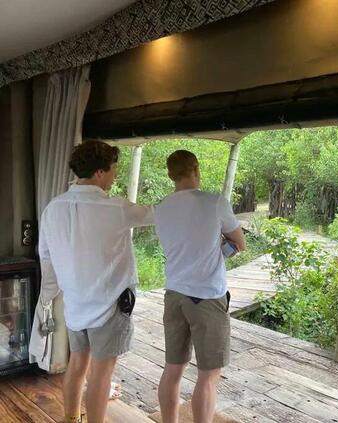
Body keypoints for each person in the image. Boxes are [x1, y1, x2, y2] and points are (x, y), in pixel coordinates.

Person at [38, 140, 153, 423]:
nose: (115, 175)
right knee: (101, 377)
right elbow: (158, 214)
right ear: (100, 172)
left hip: (75, 303)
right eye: (113, 169)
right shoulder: (116, 208)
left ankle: (71, 418)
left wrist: (48, 296)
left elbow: (46, 257)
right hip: (110, 307)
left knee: (77, 365)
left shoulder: (53, 208)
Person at [155, 150, 246, 423]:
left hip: (174, 295)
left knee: (173, 369)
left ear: (171, 175)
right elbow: (239, 244)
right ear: (196, 169)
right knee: (208, 376)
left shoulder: (161, 208)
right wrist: (219, 249)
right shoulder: (215, 203)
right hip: (207, 297)